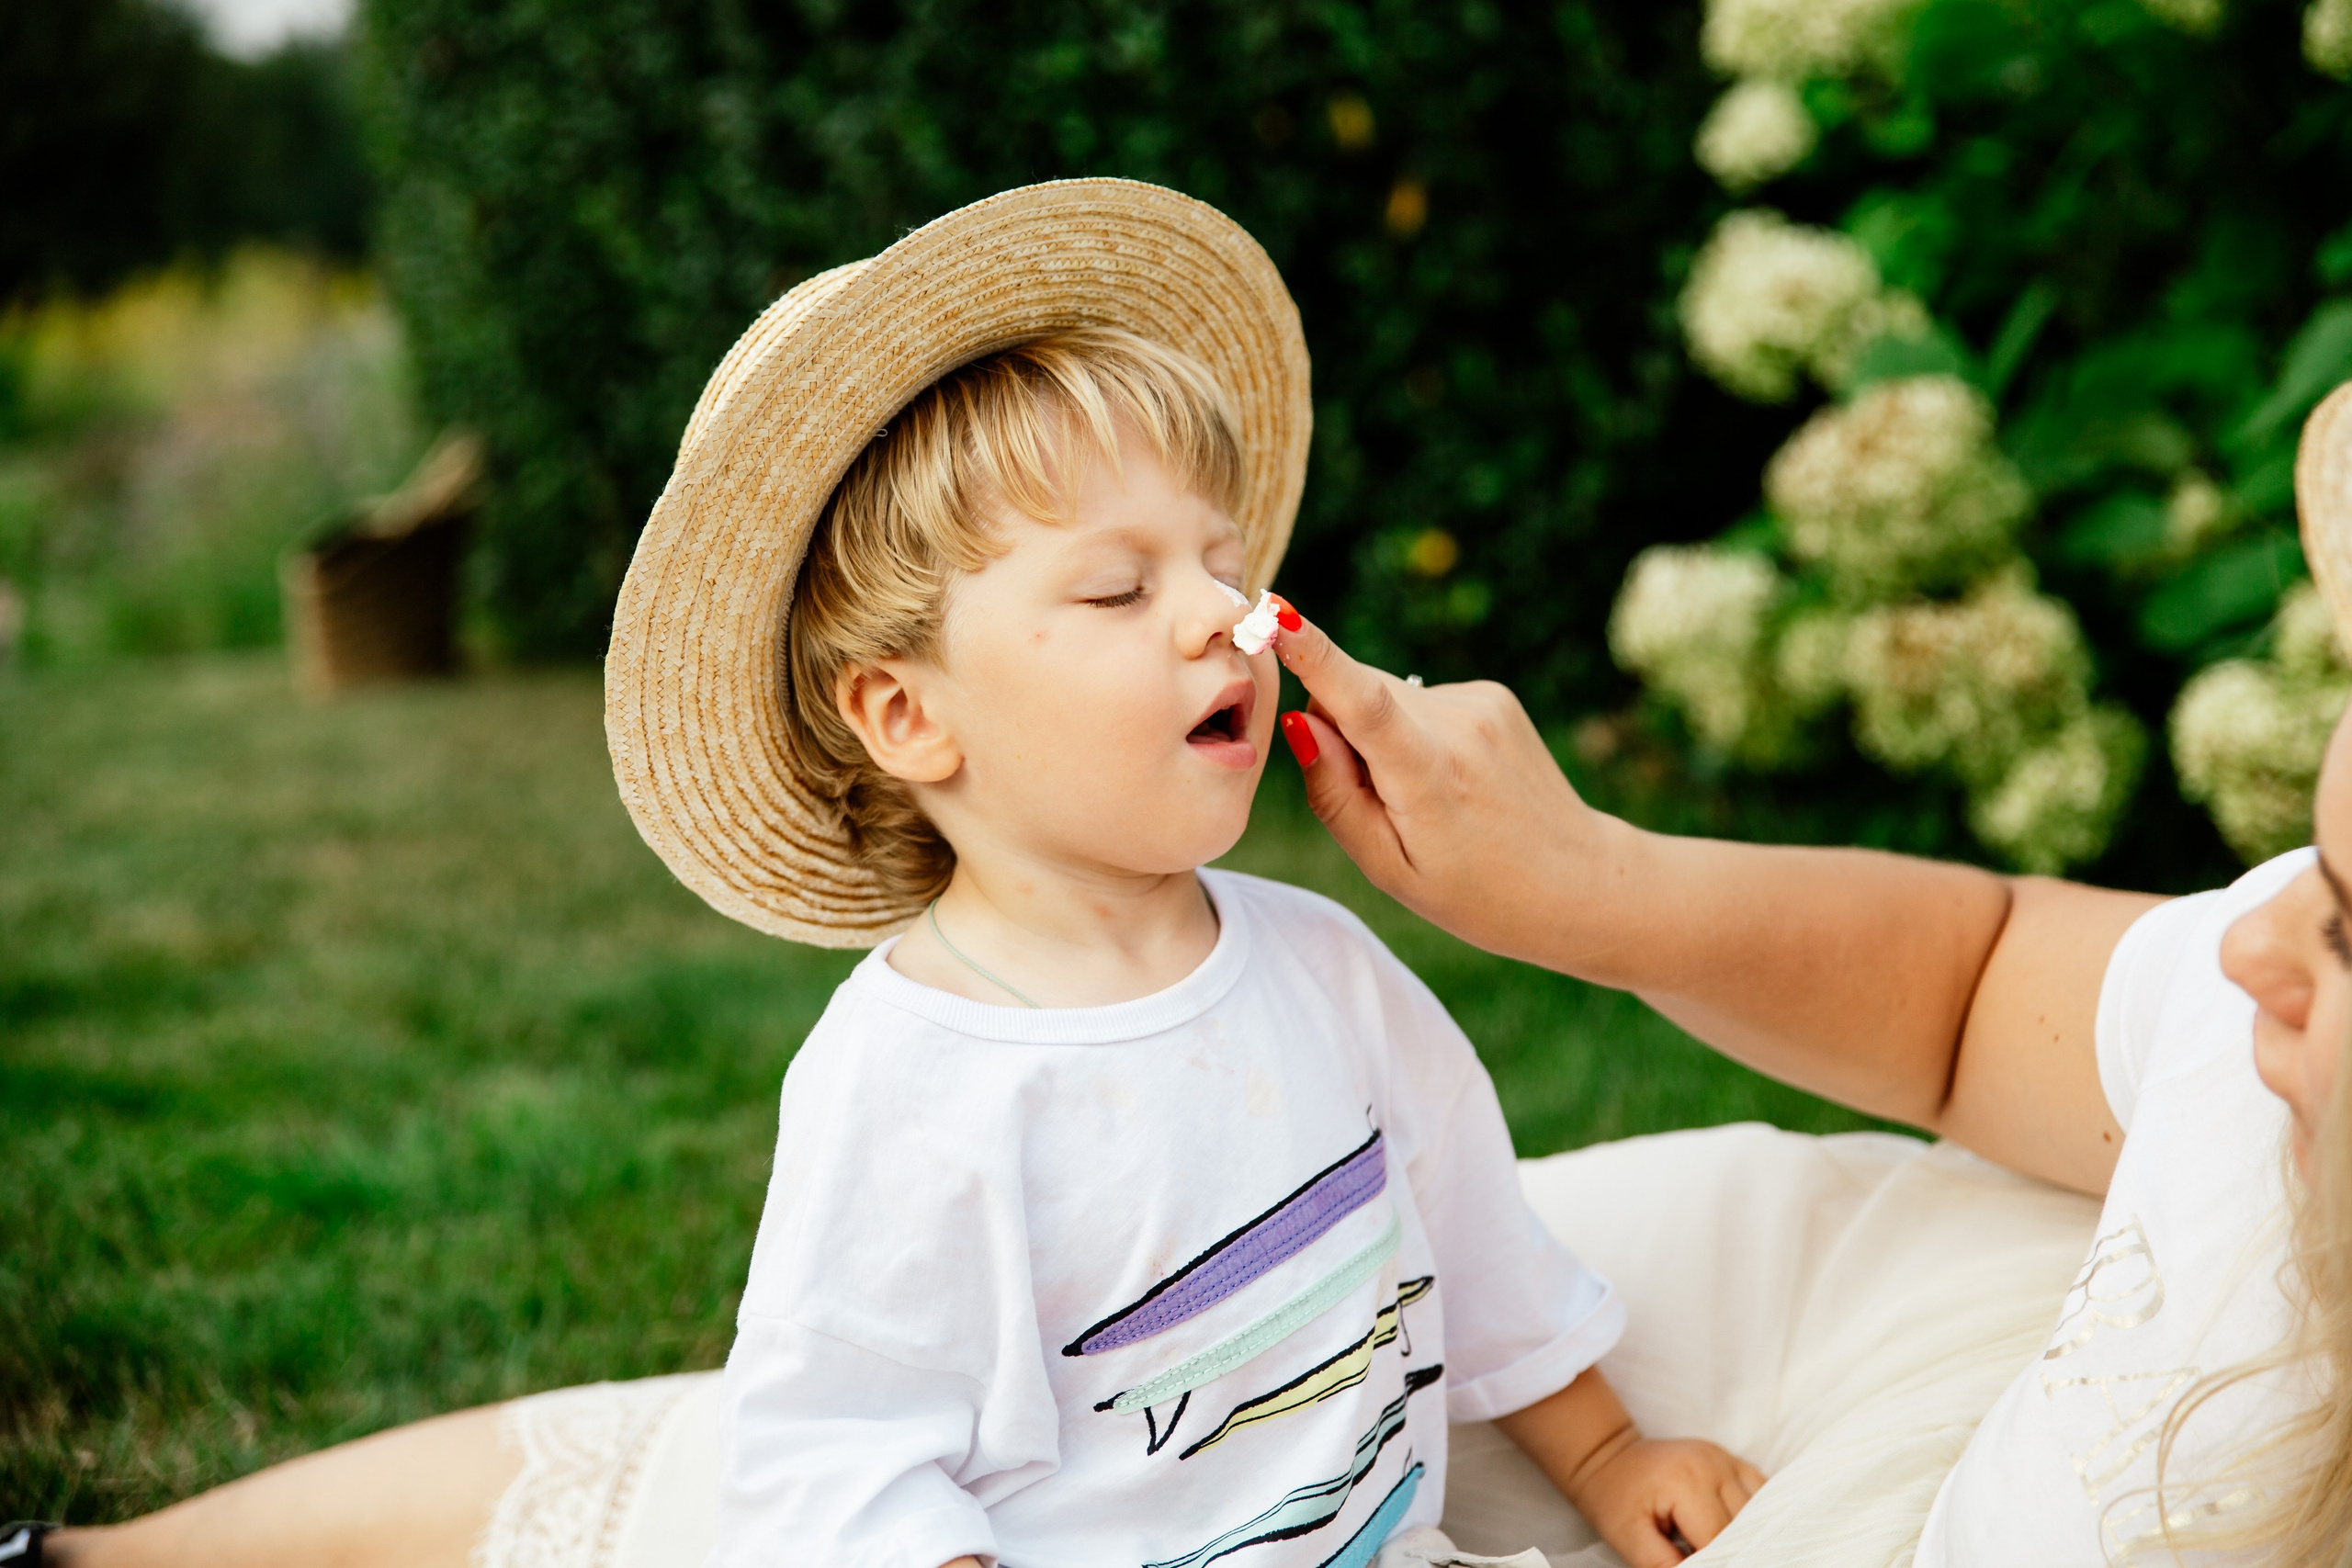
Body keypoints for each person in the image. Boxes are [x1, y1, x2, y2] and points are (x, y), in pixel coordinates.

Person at [17, 181, 2350, 1567]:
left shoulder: (1317, 966)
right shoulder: (910, 1090)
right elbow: (842, 1457)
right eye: (1116, 589)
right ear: (907, 717)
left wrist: (1606, 1444)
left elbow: (1461, 1231)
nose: (1224, 621)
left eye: (1224, 564)